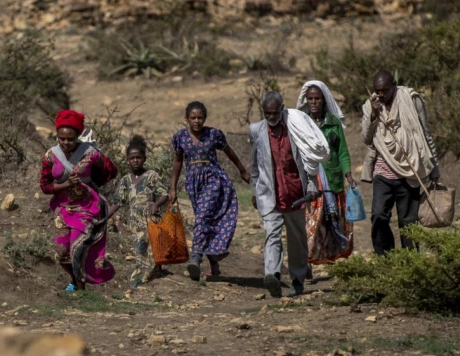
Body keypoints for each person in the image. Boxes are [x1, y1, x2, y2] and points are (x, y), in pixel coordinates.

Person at [250, 91, 330, 297]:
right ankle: (273, 275)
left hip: (295, 194)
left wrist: (312, 185)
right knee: (272, 235)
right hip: (270, 195)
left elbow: (308, 160)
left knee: (297, 240)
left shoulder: (295, 128)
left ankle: (297, 280)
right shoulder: (256, 130)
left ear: (282, 109)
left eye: (275, 113)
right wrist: (255, 191)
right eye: (267, 113)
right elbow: (255, 166)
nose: (271, 117)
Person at [361, 71, 440, 255]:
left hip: (410, 171)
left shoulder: (411, 100)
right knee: (379, 215)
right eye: (377, 91)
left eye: (385, 90)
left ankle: (410, 262)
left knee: (408, 222)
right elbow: (366, 138)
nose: (381, 94)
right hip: (383, 171)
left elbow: (425, 133)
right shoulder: (370, 105)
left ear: (394, 85)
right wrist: (373, 114)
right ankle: (386, 258)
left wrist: (434, 167)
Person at [169, 101, 250, 280]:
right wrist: (173, 188)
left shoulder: (213, 134)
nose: (197, 121)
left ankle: (196, 257)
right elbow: (178, 162)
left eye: (200, 118)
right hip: (193, 183)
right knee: (206, 221)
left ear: (205, 118)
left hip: (214, 180)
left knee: (202, 217)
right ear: (187, 119)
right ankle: (214, 263)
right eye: (193, 118)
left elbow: (229, 152)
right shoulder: (180, 137)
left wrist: (242, 170)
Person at [39, 109, 118, 291]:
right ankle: (75, 280)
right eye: (62, 138)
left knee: (77, 249)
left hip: (87, 207)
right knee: (61, 252)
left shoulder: (90, 153)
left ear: (77, 137)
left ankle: (81, 293)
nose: (66, 143)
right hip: (63, 208)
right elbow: (45, 186)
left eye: (70, 139)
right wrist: (66, 184)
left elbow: (111, 170)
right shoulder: (51, 155)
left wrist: (91, 182)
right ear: (57, 136)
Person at [296, 80, 354, 264]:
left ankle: (332, 258)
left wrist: (348, 173)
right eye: (310, 98)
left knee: (331, 220)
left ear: (324, 100)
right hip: (311, 179)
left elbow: (342, 152)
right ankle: (307, 260)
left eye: (317, 98)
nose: (313, 102)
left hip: (331, 178)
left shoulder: (333, 123)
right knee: (312, 222)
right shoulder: (301, 124)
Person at [108, 135, 170, 289]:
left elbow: (165, 194)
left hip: (150, 219)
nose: (135, 160)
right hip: (134, 223)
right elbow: (117, 202)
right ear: (127, 160)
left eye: (138, 157)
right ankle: (147, 277)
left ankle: (139, 280)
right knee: (140, 250)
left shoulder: (151, 176)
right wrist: (104, 217)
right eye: (132, 158)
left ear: (144, 159)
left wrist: (156, 204)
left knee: (148, 247)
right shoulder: (125, 180)